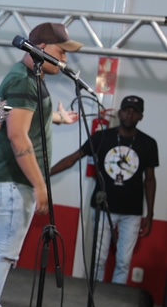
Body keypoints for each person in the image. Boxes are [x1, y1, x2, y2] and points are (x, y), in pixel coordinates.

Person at [0, 22, 80, 307]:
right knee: (3, 251)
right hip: (9, 179)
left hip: (9, 178)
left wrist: (56, 118)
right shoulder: (23, 80)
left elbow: (10, 116)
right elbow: (18, 136)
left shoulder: (27, 77)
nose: (64, 59)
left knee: (3, 250)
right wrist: (40, 185)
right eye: (61, 52)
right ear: (42, 48)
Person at [50, 95, 158, 285]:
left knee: (124, 261)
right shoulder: (102, 137)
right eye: (126, 110)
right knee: (98, 258)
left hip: (132, 212)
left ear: (141, 116)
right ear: (119, 113)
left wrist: (150, 214)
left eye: (134, 112)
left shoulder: (148, 143)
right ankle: (95, 294)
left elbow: (150, 180)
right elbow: (73, 158)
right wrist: (45, 175)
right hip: (103, 206)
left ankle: (116, 296)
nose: (129, 114)